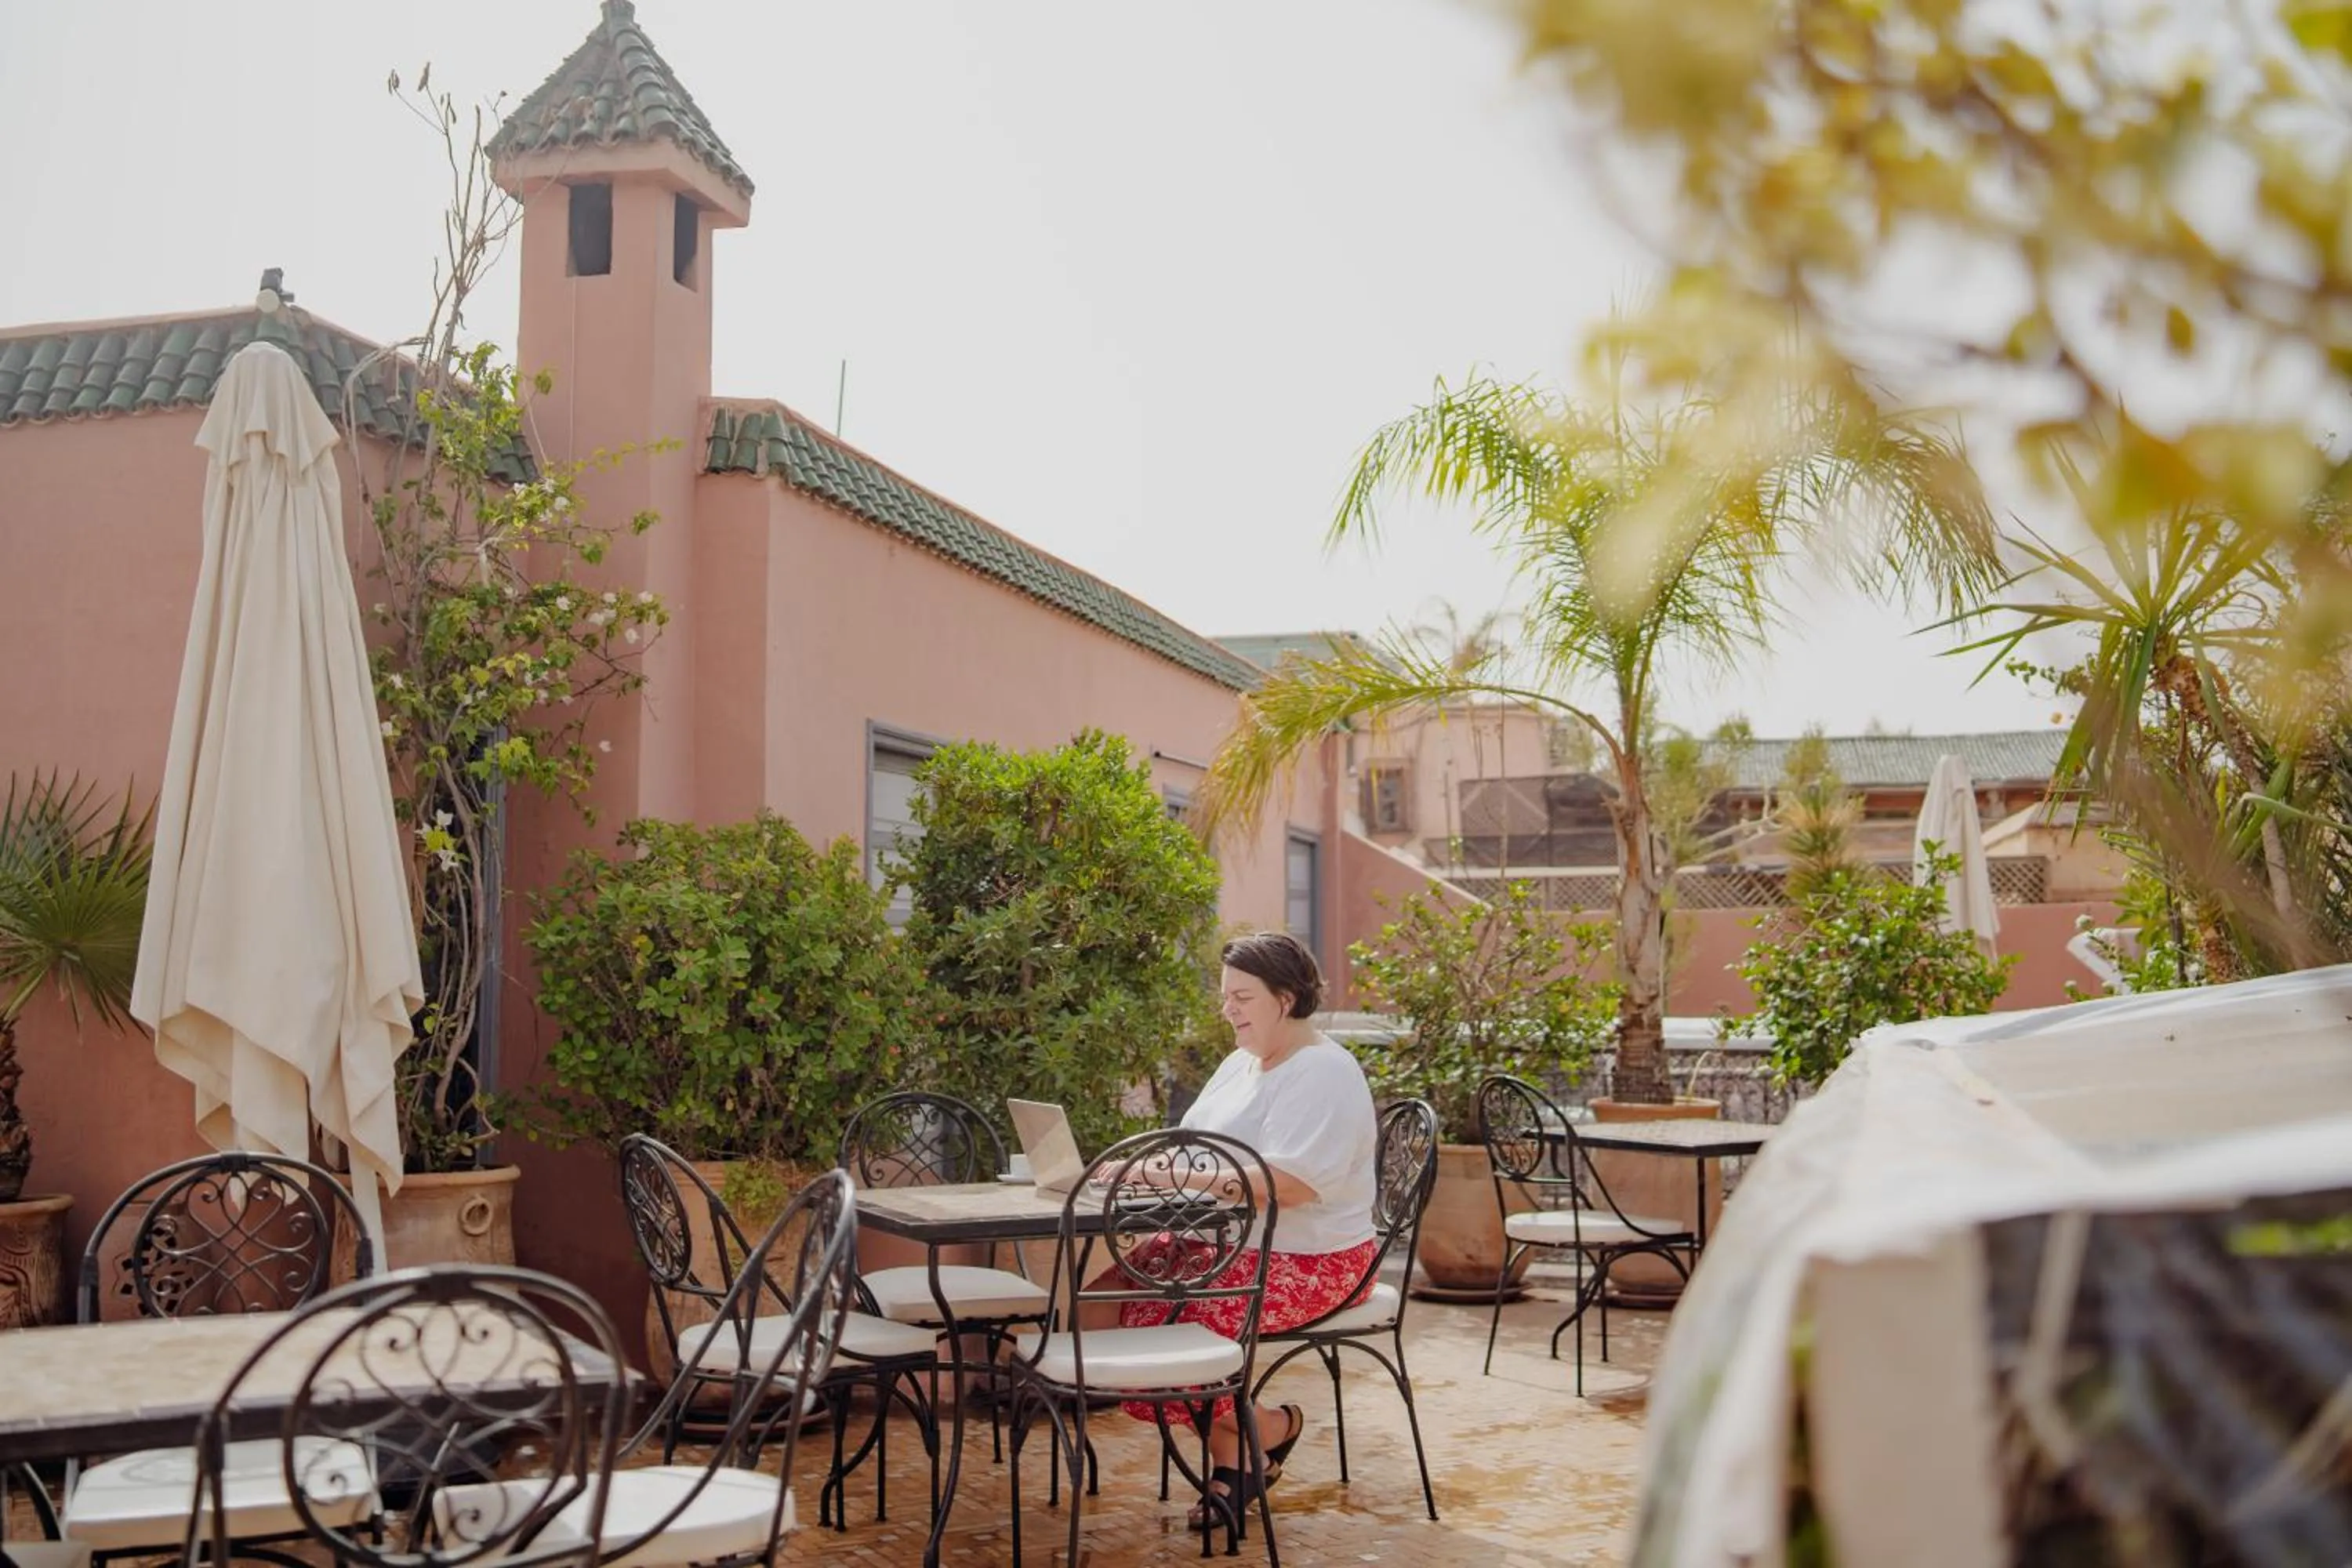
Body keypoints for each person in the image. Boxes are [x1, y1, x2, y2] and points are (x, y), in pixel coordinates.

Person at [1116, 929, 1380, 1526]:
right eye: (1225, 996)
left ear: (1285, 1000)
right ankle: (1264, 1433)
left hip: (1315, 1258)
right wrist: (1141, 1172)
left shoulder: (1323, 1072)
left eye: (1242, 997)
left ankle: (1243, 1455)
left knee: (1170, 1335)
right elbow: (1195, 1148)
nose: (1227, 1008)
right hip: (1228, 1245)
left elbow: (1288, 1185)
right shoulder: (1241, 1062)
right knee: (1113, 1304)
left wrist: (1170, 1174)